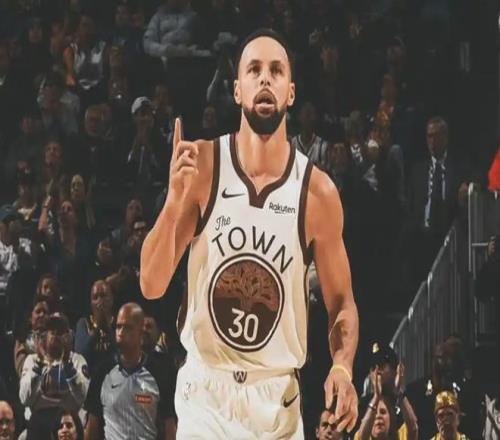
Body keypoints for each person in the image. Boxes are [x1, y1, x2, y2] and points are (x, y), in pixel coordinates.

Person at [140, 28, 359, 438]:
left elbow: (341, 303)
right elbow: (151, 285)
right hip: (206, 393)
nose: (265, 79)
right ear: (237, 90)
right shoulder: (203, 166)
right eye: (254, 70)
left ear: (291, 93)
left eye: (276, 71)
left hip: (276, 400)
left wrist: (342, 368)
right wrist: (172, 202)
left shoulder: (317, 193)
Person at [84, 303, 175, 440]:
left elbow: (170, 427)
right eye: (118, 327)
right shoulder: (102, 372)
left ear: (140, 333)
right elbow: (92, 426)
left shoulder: (160, 373)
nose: (120, 332)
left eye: (127, 327)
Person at [19, 313, 89, 438]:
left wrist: (67, 364)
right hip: (39, 424)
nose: (56, 334)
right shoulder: (32, 360)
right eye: (52, 330)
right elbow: (25, 399)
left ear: (69, 336)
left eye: (60, 331)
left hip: (68, 423)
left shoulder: (77, 360)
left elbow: (82, 397)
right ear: (45, 335)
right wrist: (39, 364)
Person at [354, 362, 418, 440]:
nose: (378, 416)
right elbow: (362, 436)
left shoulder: (400, 437)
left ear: (391, 418)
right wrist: (376, 396)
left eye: (383, 412)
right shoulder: (362, 435)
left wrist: (399, 393)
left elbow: (413, 429)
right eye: (374, 413)